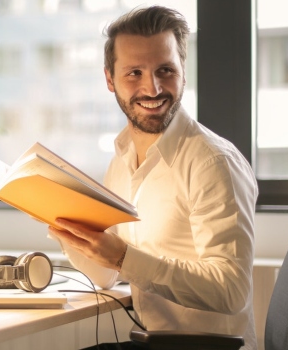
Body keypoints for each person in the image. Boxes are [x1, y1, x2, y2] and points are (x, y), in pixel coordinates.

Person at [47, 5, 258, 350]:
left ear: (183, 72)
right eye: (134, 73)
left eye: (165, 70)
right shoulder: (123, 156)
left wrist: (123, 257)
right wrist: (64, 225)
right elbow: (105, 276)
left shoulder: (212, 162)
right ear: (109, 79)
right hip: (153, 341)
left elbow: (231, 290)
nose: (153, 87)